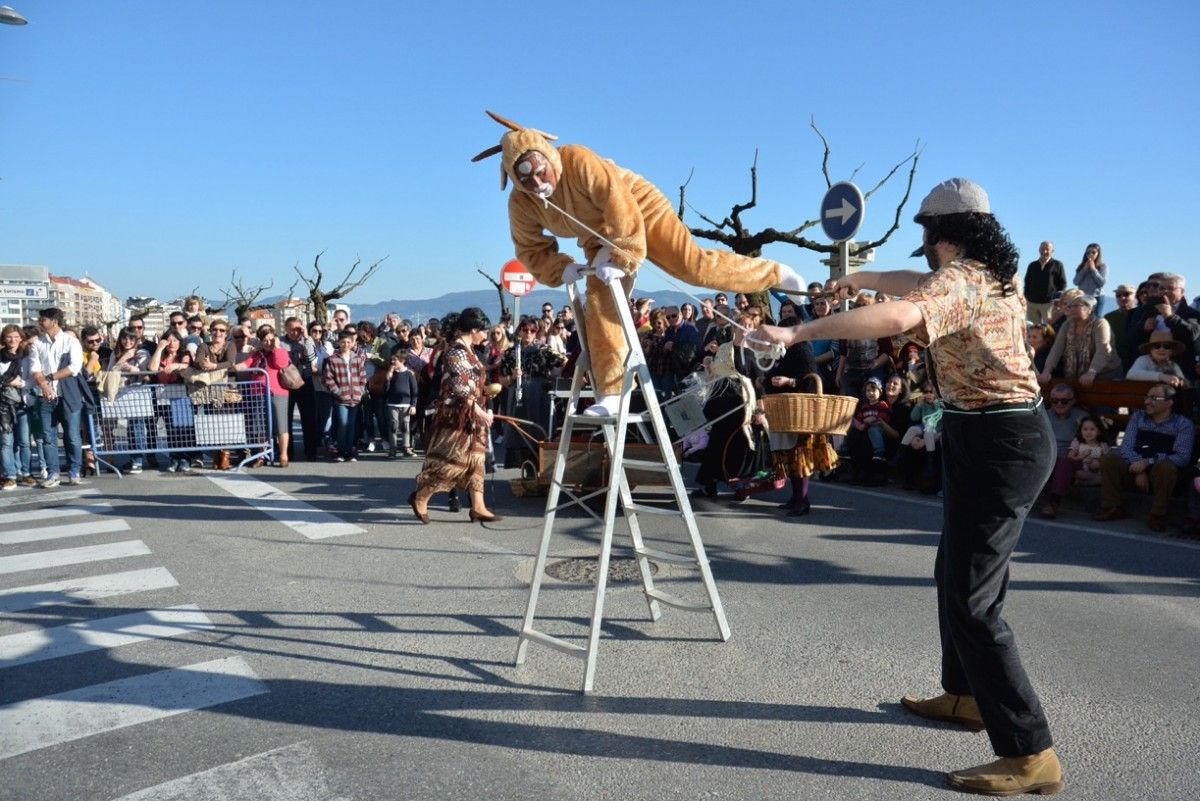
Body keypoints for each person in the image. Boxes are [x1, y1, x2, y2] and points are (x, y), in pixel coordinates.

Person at [746, 178, 1063, 795]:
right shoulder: (983, 273)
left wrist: (801, 333)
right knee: (955, 574)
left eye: (923, 231)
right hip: (983, 438)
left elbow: (903, 311)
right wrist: (854, 281)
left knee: (975, 599)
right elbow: (901, 287)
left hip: (1003, 443)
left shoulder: (964, 278)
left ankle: (1031, 754)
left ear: (938, 232)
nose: (920, 242)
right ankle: (968, 697)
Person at [472, 111, 806, 417]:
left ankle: (777, 273)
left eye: (539, 170)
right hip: (596, 233)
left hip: (638, 207)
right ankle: (614, 393)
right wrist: (560, 267)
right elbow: (530, 247)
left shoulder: (577, 159)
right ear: (514, 179)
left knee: (693, 267)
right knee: (601, 302)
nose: (538, 182)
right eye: (526, 178)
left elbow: (617, 202)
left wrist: (622, 255)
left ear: (547, 154)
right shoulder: (521, 203)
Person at [409, 308, 500, 524]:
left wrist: (487, 395)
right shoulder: (455, 352)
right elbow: (459, 386)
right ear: (474, 329)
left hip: (472, 417)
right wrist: (478, 410)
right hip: (456, 416)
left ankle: (478, 506)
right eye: (484, 331)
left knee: (477, 460)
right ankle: (420, 498)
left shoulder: (470, 351)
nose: (486, 336)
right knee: (451, 462)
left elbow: (472, 384)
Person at [1094, 383, 1194, 532]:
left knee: (1165, 466)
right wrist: (1138, 468)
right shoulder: (1138, 417)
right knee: (1109, 459)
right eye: (1147, 397)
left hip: (1161, 474)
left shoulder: (1183, 424)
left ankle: (1157, 515)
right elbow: (1126, 447)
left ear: (1169, 402)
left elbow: (1182, 457)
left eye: (1154, 398)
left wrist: (1148, 462)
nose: (1147, 401)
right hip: (1135, 468)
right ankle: (1113, 506)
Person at [28, 307, 87, 487]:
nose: (40, 323)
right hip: (45, 397)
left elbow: (74, 367)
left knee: (72, 435)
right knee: (48, 436)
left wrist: (50, 377)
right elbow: (34, 369)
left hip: (68, 395)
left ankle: (74, 470)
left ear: (54, 321)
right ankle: (53, 473)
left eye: (43, 320)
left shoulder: (71, 342)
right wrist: (45, 385)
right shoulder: (37, 344)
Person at [1036, 290, 1121, 386]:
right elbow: (1056, 350)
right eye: (1070, 306)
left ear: (1090, 309)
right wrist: (1047, 371)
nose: (1072, 309)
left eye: (1076, 306)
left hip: (1106, 374)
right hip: (1076, 376)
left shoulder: (1100, 324)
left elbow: (1103, 350)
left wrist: (1092, 371)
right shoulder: (1067, 325)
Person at [241, 323, 293, 468]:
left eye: (271, 339)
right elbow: (245, 365)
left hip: (278, 392)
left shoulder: (281, 351)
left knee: (281, 425)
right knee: (261, 427)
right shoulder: (257, 354)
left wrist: (276, 347)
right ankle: (261, 455)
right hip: (257, 392)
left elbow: (281, 364)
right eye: (265, 340)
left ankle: (283, 454)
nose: (268, 343)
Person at [322, 329, 368, 462]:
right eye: (343, 342)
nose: (346, 344)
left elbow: (363, 377)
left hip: (355, 397)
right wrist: (338, 392)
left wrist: (360, 390)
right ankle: (341, 451)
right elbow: (328, 379)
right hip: (341, 398)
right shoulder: (333, 360)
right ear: (339, 342)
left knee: (351, 425)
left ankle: (350, 450)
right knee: (342, 423)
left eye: (348, 342)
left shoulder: (358, 359)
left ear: (352, 343)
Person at [383, 351, 419, 458]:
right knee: (393, 426)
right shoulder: (391, 373)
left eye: (395, 360)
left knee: (405, 426)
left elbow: (414, 391)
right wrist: (388, 377)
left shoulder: (409, 374)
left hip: (406, 404)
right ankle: (393, 448)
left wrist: (413, 405)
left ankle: (406, 447)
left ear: (402, 361)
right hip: (392, 404)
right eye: (392, 360)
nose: (393, 362)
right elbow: (386, 390)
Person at [1125, 330, 1190, 387]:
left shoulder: (1174, 365)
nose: (1161, 349)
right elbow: (1131, 374)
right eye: (1157, 346)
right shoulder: (1143, 359)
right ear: (1150, 350)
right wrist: (1162, 376)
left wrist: (1180, 382)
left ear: (1171, 351)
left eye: (1166, 346)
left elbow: (1183, 382)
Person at [1023, 241, 1066, 325]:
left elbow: (1062, 283)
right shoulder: (1032, 265)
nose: (1044, 251)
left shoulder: (1058, 265)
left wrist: (1057, 299)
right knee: (1033, 328)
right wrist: (1026, 296)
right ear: (1039, 250)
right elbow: (1027, 281)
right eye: (1042, 249)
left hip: (1049, 303)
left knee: (1049, 328)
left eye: (1047, 249)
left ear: (1052, 251)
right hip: (1032, 302)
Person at [1103, 284, 1138, 366]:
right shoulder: (1109, 317)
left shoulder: (1142, 314)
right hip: (1117, 361)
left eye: (1126, 294)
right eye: (1118, 295)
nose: (1122, 298)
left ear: (1136, 296)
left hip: (1138, 360)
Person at [1072, 242, 1108, 317]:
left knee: (1095, 320)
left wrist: (1093, 269)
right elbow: (1076, 282)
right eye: (1088, 252)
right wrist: (1084, 269)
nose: (1090, 254)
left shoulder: (1103, 267)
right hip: (1083, 297)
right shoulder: (1081, 266)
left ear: (1098, 254)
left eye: (1093, 252)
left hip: (1097, 298)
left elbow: (1102, 283)